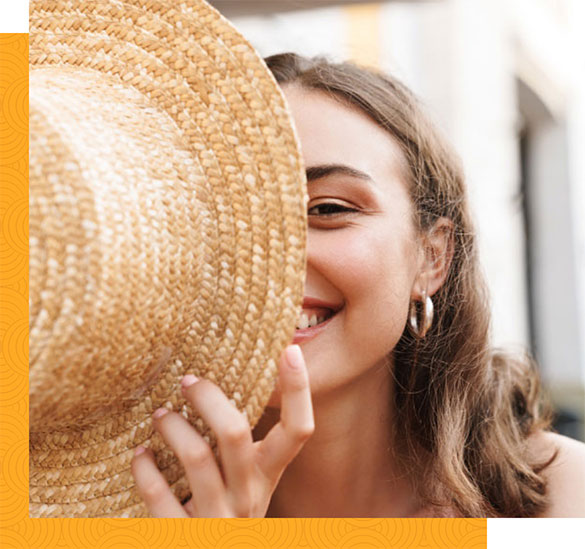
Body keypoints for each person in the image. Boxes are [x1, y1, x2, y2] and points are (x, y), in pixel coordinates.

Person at [131, 53, 585, 518]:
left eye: (328, 209)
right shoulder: (103, 510)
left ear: (432, 256)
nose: (268, 259)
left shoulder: (564, 498)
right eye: (225, 217)